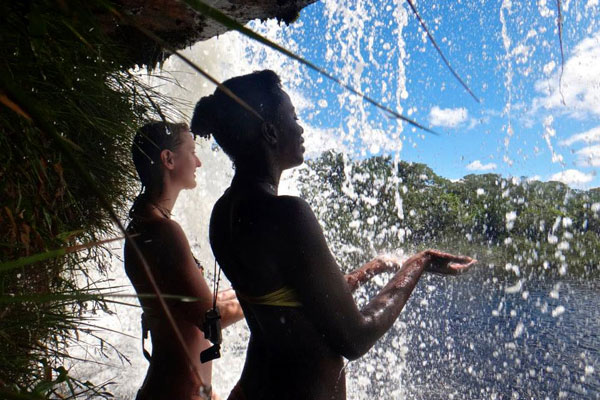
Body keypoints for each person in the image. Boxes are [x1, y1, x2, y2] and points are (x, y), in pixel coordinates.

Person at [191, 70, 476, 400]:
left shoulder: (223, 212)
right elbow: (354, 338)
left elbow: (292, 303)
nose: (300, 128)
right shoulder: (286, 212)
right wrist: (418, 264)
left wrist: (367, 271)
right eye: (293, 118)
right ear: (270, 131)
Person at [124, 121, 244, 400]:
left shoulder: (145, 225)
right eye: (192, 151)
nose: (199, 162)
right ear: (168, 159)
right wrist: (270, 296)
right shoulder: (163, 231)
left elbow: (193, 306)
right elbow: (210, 317)